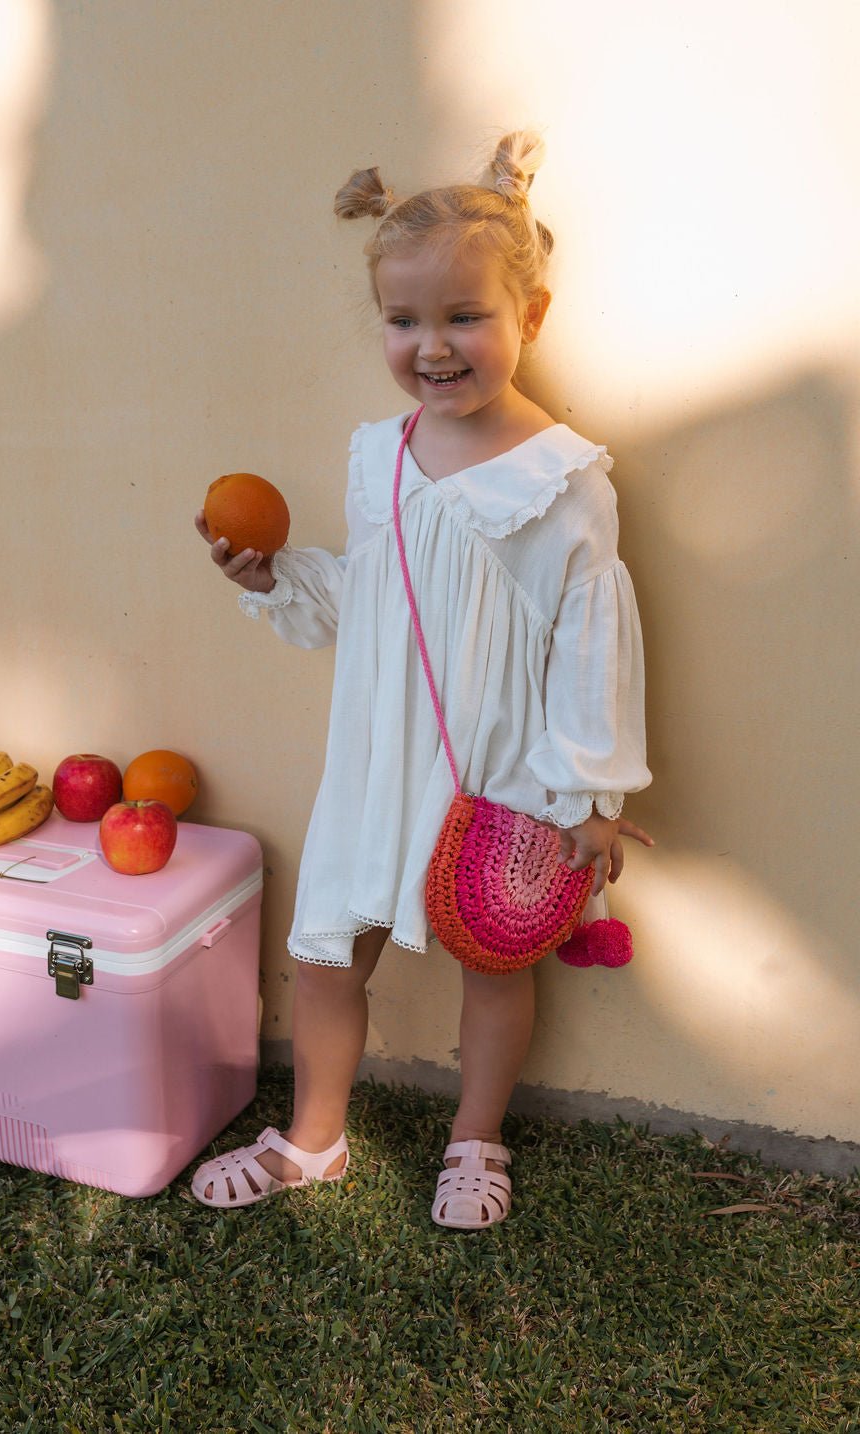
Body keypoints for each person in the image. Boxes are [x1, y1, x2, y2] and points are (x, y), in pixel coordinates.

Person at [191, 130, 652, 1229]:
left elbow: (593, 635)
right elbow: (375, 592)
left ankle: (474, 1141)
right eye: (404, 322)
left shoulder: (564, 484)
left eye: (464, 318)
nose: (431, 347)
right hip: (376, 759)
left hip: (500, 772)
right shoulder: (378, 455)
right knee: (326, 957)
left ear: (528, 319)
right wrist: (277, 575)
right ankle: (314, 1139)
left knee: (493, 960)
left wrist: (588, 794)